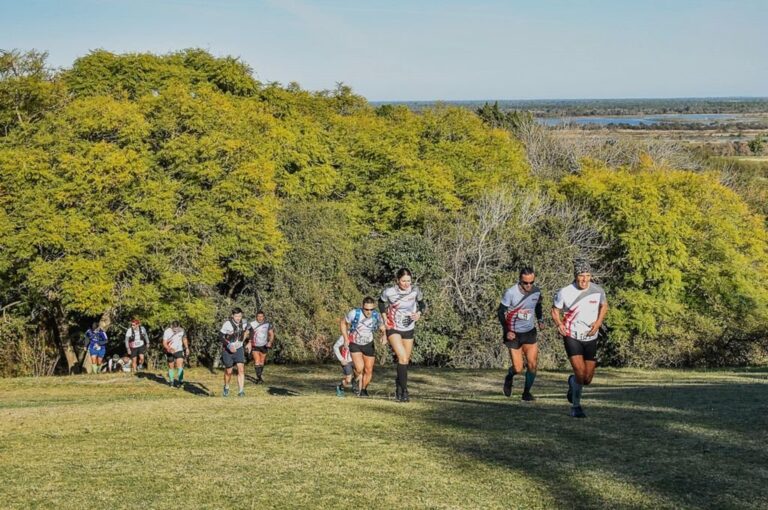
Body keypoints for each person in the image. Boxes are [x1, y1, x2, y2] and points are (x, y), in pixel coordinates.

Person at [551, 261, 608, 418]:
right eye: (581, 276)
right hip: (572, 335)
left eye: (588, 276)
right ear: (575, 276)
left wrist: (598, 323)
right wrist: (559, 325)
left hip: (591, 337)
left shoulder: (598, 291)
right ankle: (576, 407)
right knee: (580, 372)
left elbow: (604, 306)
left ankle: (572, 381)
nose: (585, 280)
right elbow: (555, 310)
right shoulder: (565, 292)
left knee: (587, 379)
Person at [379, 268, 427, 402]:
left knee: (405, 361)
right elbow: (381, 302)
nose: (406, 284)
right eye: (403, 281)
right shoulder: (390, 292)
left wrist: (419, 314)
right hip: (393, 328)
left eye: (409, 281)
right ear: (397, 280)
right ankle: (405, 392)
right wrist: (384, 319)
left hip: (409, 328)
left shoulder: (415, 290)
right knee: (402, 357)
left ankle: (399, 387)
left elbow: (422, 304)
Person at [498, 267, 545, 401]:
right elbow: (500, 312)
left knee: (532, 365)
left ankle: (526, 393)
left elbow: (537, 306)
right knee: (518, 368)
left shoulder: (536, 291)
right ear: (520, 280)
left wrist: (540, 320)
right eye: (525, 283)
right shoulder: (511, 293)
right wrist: (507, 331)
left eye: (531, 282)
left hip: (529, 332)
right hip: (514, 334)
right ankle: (509, 376)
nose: (529, 285)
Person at [340, 297, 386, 397]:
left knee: (368, 370)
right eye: (366, 309)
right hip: (355, 343)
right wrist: (345, 338)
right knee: (359, 368)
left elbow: (382, 328)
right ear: (362, 307)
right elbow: (343, 323)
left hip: (368, 344)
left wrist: (384, 336)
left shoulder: (376, 316)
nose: (369, 312)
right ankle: (355, 380)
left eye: (371, 309)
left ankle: (364, 390)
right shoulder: (354, 313)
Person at [219, 307, 248, 397]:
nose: (238, 318)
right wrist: (228, 345)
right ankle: (226, 387)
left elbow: (250, 331)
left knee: (241, 369)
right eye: (236, 316)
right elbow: (220, 337)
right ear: (232, 316)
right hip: (228, 349)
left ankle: (241, 391)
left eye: (240, 316)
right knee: (229, 371)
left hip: (239, 348)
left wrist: (250, 343)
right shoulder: (227, 324)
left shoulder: (244, 322)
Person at [246, 310, 274, 384]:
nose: (260, 318)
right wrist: (247, 341)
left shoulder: (267, 324)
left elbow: (271, 334)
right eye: (258, 316)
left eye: (261, 316)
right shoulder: (252, 324)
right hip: (255, 345)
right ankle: (259, 378)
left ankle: (260, 376)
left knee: (262, 361)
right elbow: (247, 332)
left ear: (264, 317)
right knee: (257, 361)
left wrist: (270, 342)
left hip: (264, 345)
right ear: (256, 317)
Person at [162, 321, 189, 388]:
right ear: (171, 326)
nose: (175, 330)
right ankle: (171, 381)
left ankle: (180, 381)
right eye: (174, 328)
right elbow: (164, 343)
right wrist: (169, 348)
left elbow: (184, 339)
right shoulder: (167, 331)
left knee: (179, 365)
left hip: (179, 350)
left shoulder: (182, 330)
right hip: (169, 350)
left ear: (179, 326)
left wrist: (187, 348)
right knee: (171, 366)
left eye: (176, 328)